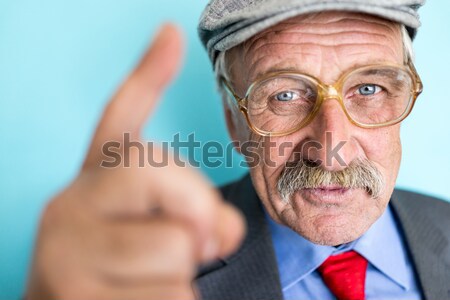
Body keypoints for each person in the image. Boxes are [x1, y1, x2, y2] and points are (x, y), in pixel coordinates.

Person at [25, 0, 450, 299]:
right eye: (284, 95)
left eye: (368, 88)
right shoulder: (145, 270)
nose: (330, 151)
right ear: (233, 119)